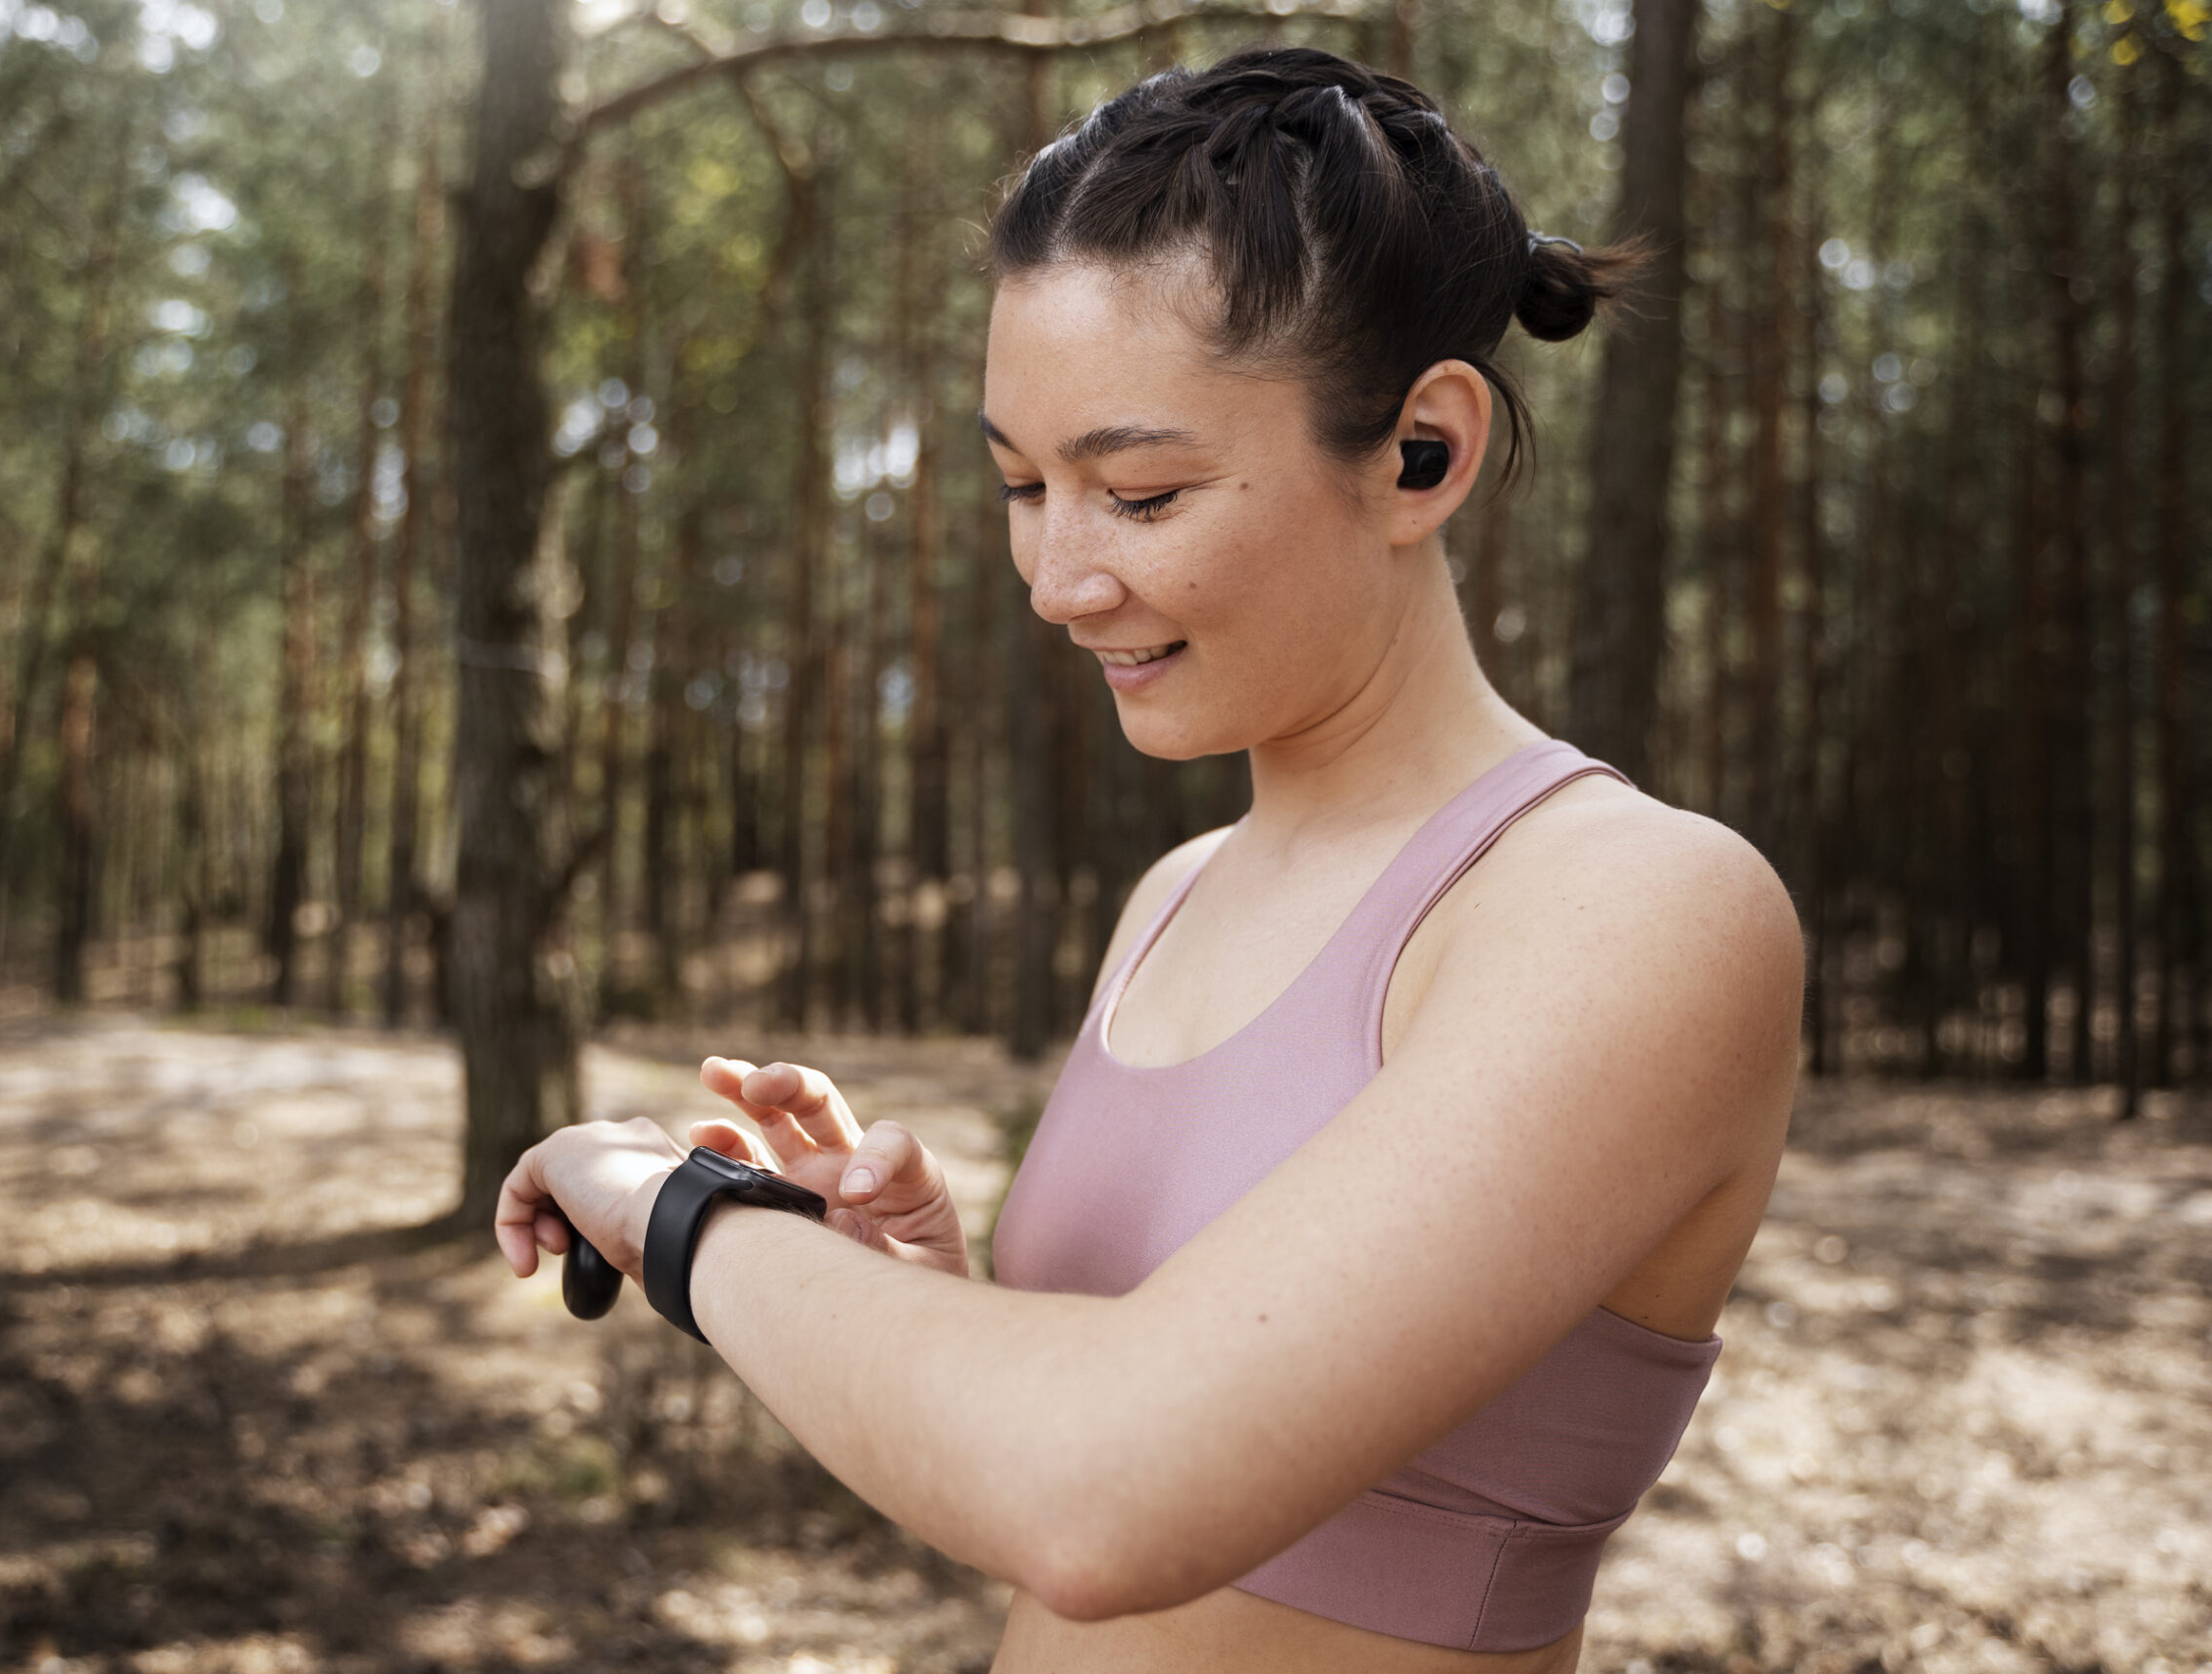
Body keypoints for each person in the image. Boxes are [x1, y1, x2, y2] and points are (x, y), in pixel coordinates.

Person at [496, 45, 1802, 1674]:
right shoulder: (1170, 899)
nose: (1057, 576)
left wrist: (674, 1211)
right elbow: (1096, 1508)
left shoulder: (1639, 907)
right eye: (1022, 487)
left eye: (1138, 490)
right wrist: (919, 1306)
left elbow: (1102, 1500)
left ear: (1422, 453)